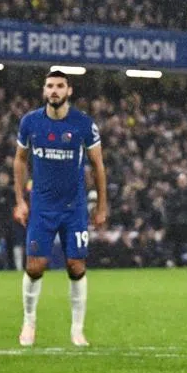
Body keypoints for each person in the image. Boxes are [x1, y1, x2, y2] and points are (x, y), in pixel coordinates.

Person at [14, 66, 108, 347]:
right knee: (35, 266)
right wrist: (20, 200)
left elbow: (98, 165)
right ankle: (29, 322)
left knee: (76, 266)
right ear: (44, 91)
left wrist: (102, 206)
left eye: (59, 86)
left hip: (74, 207)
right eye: (50, 86)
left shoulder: (83, 124)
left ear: (69, 91)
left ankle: (77, 330)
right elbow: (19, 160)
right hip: (41, 207)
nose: (54, 91)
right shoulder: (30, 122)